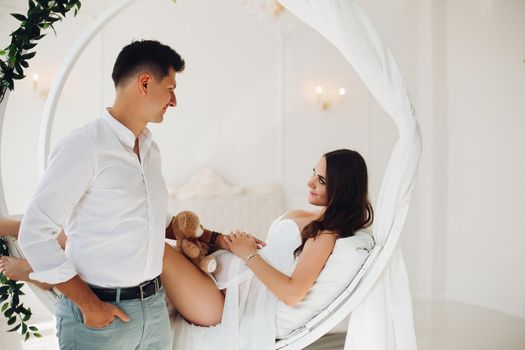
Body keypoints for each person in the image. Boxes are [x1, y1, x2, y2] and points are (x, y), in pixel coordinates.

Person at [1, 149, 373, 349]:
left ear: (342, 188)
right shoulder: (301, 215)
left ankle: (38, 271)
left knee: (146, 243)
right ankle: (24, 229)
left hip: (226, 306)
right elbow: (257, 249)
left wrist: (248, 254)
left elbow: (292, 293)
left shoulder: (327, 236)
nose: (309, 180)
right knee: (128, 229)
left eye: (321, 179)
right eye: (313, 170)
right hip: (222, 275)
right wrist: (220, 239)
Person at [12, 40, 186, 350]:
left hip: (155, 312)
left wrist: (210, 236)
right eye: (170, 88)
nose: (174, 101)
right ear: (145, 82)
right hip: (97, 320)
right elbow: (34, 233)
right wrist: (90, 306)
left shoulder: (150, 149)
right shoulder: (84, 147)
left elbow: (148, 219)